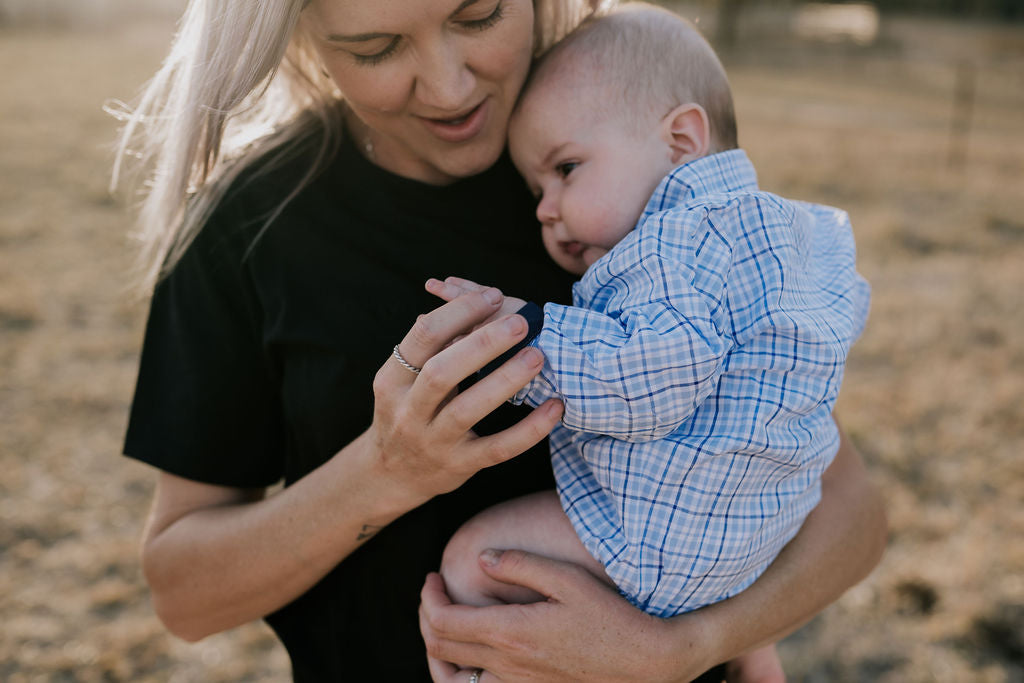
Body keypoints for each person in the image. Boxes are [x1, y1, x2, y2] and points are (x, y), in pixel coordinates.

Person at [113, 0, 886, 681]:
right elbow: (183, 594)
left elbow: (847, 510)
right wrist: (387, 471)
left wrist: (687, 647)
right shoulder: (250, 231)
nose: (450, 87)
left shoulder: (607, 144)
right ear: (298, 35)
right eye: (377, 48)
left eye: (479, 15)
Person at [427, 3, 871, 680]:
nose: (545, 207)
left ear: (682, 140)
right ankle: (748, 647)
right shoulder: (784, 229)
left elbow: (648, 380)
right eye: (536, 188)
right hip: (765, 530)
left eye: (566, 168)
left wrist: (519, 331)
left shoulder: (671, 243)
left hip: (668, 532)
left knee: (472, 561)